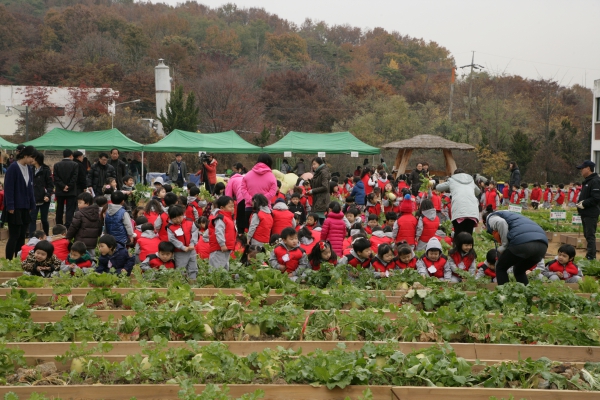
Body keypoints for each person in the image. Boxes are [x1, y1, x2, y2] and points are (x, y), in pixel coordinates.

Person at [482, 205, 548, 285]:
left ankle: (505, 295)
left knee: (500, 267)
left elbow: (501, 223)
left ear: (485, 222)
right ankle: (526, 294)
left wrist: (504, 246)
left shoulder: (491, 217)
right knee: (519, 270)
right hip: (542, 245)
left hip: (523, 243)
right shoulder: (510, 215)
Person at [3, 145, 36, 260]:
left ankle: (19, 259)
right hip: (15, 207)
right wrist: (10, 205)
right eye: (32, 157)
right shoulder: (13, 168)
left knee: (22, 235)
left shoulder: (29, 169)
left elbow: (31, 188)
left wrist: (32, 203)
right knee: (14, 235)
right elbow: (9, 188)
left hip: (25, 207)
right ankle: (9, 260)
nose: (33, 161)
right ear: (25, 155)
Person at [435, 168, 480, 236]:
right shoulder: (471, 181)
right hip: (472, 211)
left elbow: (438, 187)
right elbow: (478, 192)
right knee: (469, 236)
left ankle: (458, 245)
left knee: (459, 235)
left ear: (455, 175)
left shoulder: (452, 180)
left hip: (459, 211)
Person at [240, 154, 278, 227]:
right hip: (265, 208)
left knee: (250, 232)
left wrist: (251, 201)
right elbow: (272, 192)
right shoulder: (272, 176)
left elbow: (243, 189)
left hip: (249, 207)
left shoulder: (247, 175)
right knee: (264, 233)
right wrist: (261, 201)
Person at [575, 160, 600, 260]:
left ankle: (591, 256)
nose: (581, 170)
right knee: (587, 234)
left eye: (582, 168)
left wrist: (584, 203)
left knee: (590, 235)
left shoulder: (595, 181)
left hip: (591, 213)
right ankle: (589, 255)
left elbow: (596, 198)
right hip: (585, 212)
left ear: (588, 168)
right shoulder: (588, 181)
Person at [66, 192, 103, 259]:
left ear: (87, 203)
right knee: (91, 257)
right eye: (78, 203)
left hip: (80, 242)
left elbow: (73, 227)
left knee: (79, 258)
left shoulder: (79, 214)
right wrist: (97, 235)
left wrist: (68, 237)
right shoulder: (97, 213)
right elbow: (99, 227)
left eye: (80, 203)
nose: (78, 205)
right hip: (92, 243)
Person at [167, 205, 199, 280]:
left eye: (179, 217)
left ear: (183, 214)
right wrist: (183, 247)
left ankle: (193, 282)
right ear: (171, 218)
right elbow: (172, 239)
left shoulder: (190, 222)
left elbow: (194, 232)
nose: (178, 220)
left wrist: (192, 243)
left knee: (193, 267)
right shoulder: (170, 227)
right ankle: (180, 284)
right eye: (175, 218)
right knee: (180, 269)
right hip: (180, 251)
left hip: (191, 249)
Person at [208, 196, 237, 270]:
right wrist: (222, 244)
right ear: (222, 208)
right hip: (219, 248)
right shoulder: (220, 218)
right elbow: (219, 232)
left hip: (226, 248)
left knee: (224, 268)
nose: (232, 208)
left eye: (233, 206)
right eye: (230, 207)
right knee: (216, 269)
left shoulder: (228, 218)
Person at [29, 152, 54, 237]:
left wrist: (47, 195)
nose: (31, 159)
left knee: (44, 220)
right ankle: (31, 238)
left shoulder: (46, 170)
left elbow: (50, 185)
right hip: (33, 199)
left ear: (38, 159)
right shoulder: (30, 169)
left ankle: (46, 236)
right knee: (32, 219)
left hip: (44, 199)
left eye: (33, 158)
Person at [53, 149, 79, 228]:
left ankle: (59, 225)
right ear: (71, 155)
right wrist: (69, 186)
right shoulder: (75, 164)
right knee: (70, 209)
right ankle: (68, 225)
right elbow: (75, 177)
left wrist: (62, 186)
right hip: (71, 191)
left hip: (60, 190)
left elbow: (56, 178)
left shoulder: (57, 165)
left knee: (59, 208)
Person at [307, 157, 331, 224]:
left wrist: (312, 191)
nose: (313, 166)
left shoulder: (323, 172)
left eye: (314, 164)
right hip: (317, 199)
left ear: (319, 163)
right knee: (319, 219)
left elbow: (325, 187)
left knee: (318, 219)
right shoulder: (318, 173)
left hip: (322, 200)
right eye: (312, 165)